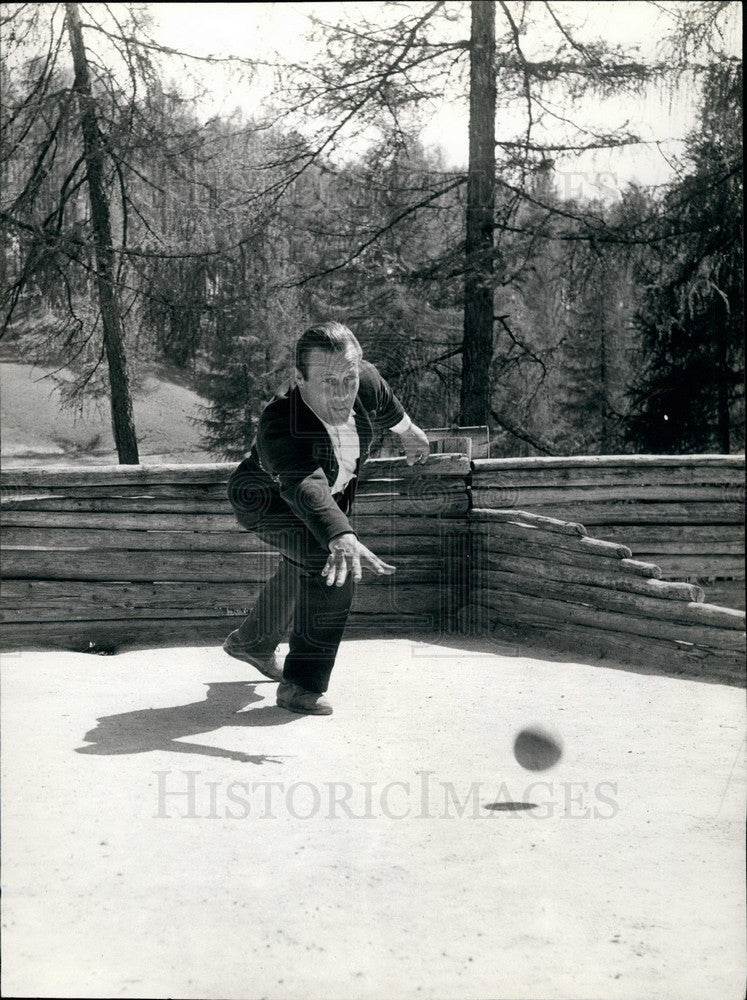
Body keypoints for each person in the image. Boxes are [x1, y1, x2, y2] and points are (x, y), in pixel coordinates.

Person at [224, 321, 430, 716]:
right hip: (267, 501)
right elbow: (305, 483)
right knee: (327, 562)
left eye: (348, 379)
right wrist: (340, 535)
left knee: (307, 558)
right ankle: (301, 685)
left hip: (330, 491)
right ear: (299, 378)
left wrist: (409, 431)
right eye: (327, 381)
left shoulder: (361, 378)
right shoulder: (280, 421)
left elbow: (383, 400)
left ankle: (252, 642)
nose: (341, 394)